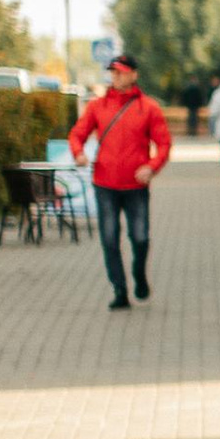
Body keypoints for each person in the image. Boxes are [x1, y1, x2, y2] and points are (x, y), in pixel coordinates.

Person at [69, 51, 174, 313]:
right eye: (112, 72)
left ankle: (139, 274)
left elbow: (164, 143)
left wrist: (151, 167)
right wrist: (78, 153)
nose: (115, 76)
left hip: (136, 186)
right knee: (109, 238)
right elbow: (77, 134)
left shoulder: (148, 108)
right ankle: (119, 290)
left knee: (140, 238)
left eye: (120, 72)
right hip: (105, 184)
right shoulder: (98, 106)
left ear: (133, 75)